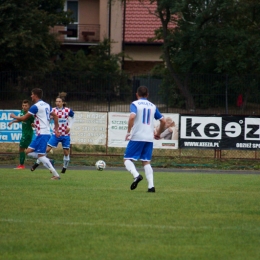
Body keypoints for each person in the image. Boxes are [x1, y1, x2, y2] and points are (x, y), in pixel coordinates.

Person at [10, 88, 61, 180]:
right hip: (43, 133)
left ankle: (55, 174)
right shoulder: (46, 105)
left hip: (42, 134)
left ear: (35, 95)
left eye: (32, 94)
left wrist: (14, 116)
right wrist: (56, 129)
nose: (31, 96)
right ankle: (48, 161)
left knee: (40, 155)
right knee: (28, 152)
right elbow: (55, 116)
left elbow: (24, 118)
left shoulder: (35, 106)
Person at [124, 86, 166, 192]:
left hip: (137, 136)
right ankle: (151, 187)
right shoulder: (153, 106)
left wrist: (129, 132)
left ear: (137, 94)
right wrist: (158, 133)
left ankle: (136, 175)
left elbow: (132, 117)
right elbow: (163, 121)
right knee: (146, 162)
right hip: (149, 137)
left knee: (127, 159)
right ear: (147, 95)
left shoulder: (135, 104)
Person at [31, 93, 75, 174]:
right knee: (46, 149)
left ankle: (64, 168)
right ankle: (36, 164)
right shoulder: (53, 110)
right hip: (56, 134)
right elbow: (47, 119)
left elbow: (73, 117)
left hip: (65, 134)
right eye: (56, 101)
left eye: (59, 101)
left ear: (63, 102)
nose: (57, 103)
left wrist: (70, 127)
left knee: (66, 152)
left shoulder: (68, 110)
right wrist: (37, 125)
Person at [8, 100, 34, 169]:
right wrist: (13, 121)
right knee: (28, 150)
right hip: (24, 134)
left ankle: (21, 165)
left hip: (27, 134)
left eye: (26, 106)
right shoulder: (22, 112)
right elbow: (21, 119)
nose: (24, 107)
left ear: (29, 106)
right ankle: (44, 157)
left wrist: (14, 116)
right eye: (23, 105)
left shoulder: (30, 114)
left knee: (21, 149)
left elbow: (34, 122)